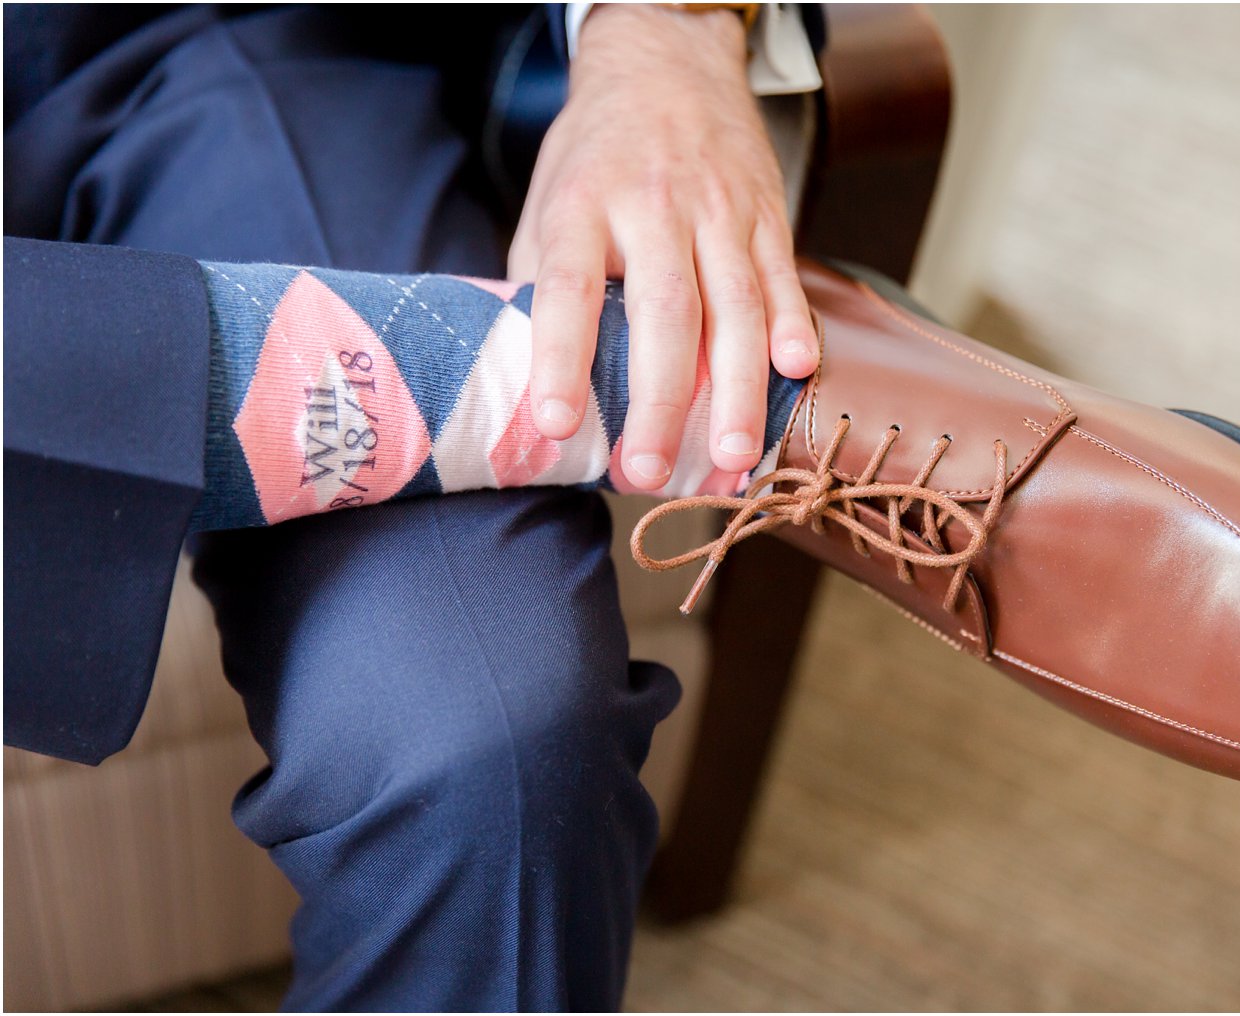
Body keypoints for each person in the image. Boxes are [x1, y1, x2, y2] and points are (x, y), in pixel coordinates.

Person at [5, 4, 826, 1009]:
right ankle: (511, 381)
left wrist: (666, 26)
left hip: (169, 47)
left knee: (491, 750)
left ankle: (457, 380)